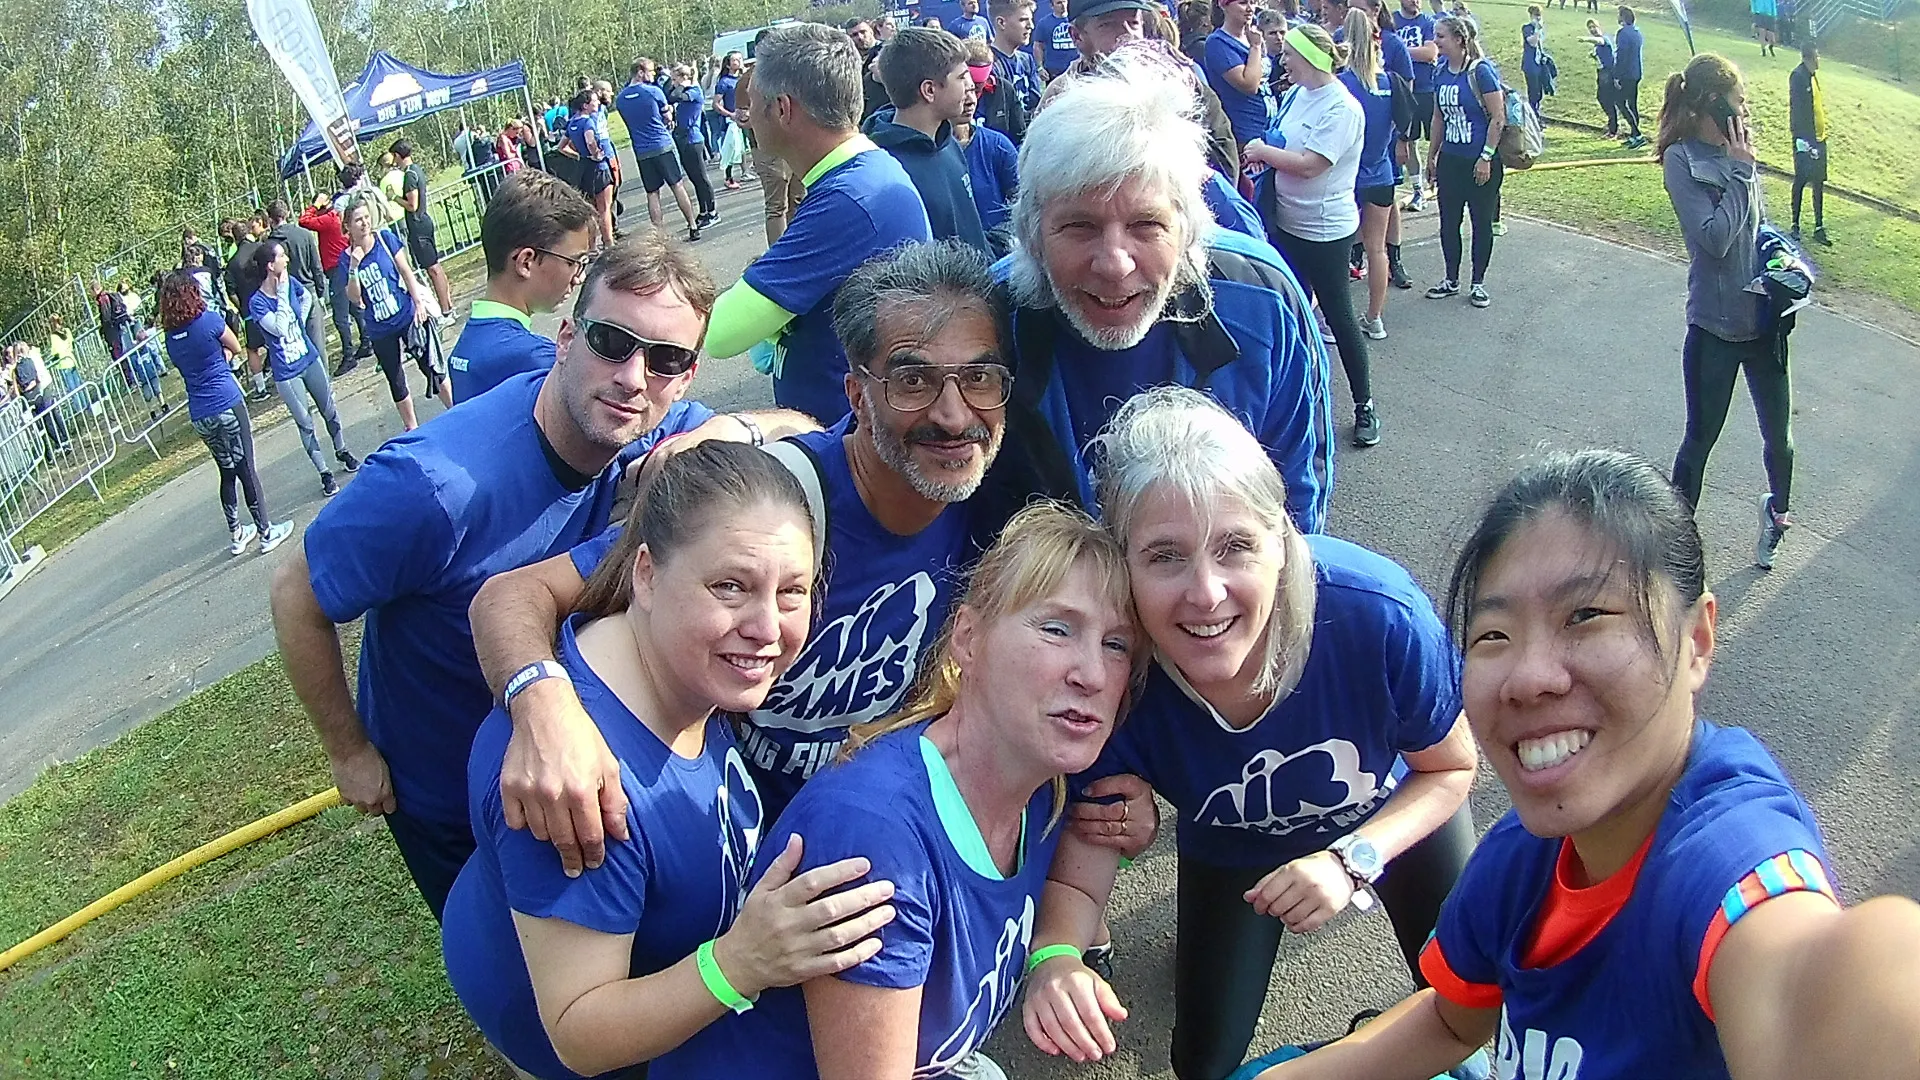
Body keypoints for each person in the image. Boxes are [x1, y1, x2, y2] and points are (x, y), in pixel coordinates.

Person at [1241, 449, 1920, 1080]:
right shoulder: (1525, 857)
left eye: (1586, 615)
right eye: (1493, 634)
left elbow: (1815, 985)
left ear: (1697, 640)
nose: (1529, 677)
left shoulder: (1723, 862)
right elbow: (1451, 1021)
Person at [467, 241, 1016, 882]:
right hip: (706, 854)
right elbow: (511, 596)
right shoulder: (766, 505)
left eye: (980, 378)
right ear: (858, 396)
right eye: (912, 381)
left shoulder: (993, 510)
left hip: (855, 844)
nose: (953, 414)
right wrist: (543, 708)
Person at [269, 233, 731, 922]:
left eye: (665, 359)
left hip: (577, 761)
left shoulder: (650, 429)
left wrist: (726, 438)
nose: (634, 377)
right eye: (612, 342)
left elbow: (793, 429)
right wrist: (348, 751)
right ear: (566, 338)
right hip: (448, 791)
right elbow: (295, 594)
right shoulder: (434, 486)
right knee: (501, 962)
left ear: (686, 377)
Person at [1021, 387, 1478, 1080]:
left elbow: (1449, 768)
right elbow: (1087, 863)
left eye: (1235, 546)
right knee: (1202, 1064)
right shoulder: (1115, 673)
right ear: (1123, 567)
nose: (1206, 594)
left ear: (1283, 541)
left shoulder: (1376, 616)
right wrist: (1055, 959)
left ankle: (1380, 1042)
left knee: (1468, 1001)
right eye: (1165, 556)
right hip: (1235, 845)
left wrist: (1352, 860)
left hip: (1388, 816)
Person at [442, 439, 906, 1080]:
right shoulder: (579, 786)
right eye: (729, 586)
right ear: (647, 575)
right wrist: (741, 963)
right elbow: (579, 1031)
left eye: (792, 591)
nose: (767, 627)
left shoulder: (674, 664)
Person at [659, 500, 1146, 1080]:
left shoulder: (1043, 784)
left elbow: (1081, 865)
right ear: (968, 639)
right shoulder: (879, 840)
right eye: (1056, 629)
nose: (1091, 674)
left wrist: (1055, 956)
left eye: (1116, 645)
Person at [989, 47, 1333, 542]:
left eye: (1146, 225)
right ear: (1033, 237)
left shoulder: (1262, 297)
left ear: (1188, 229)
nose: (1115, 264)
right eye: (1079, 226)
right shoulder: (993, 316)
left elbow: (1296, 506)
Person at [706, 23, 934, 427]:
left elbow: (720, 332)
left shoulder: (848, 199)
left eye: (753, 102)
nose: (747, 117)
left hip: (846, 438)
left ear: (783, 109)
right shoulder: (861, 175)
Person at [1658, 54, 1798, 572]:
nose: (1746, 111)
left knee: (1780, 441)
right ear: (1710, 105)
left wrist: (1782, 259)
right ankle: (1673, 553)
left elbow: (1753, 230)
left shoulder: (1740, 155)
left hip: (1763, 323)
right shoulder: (1682, 160)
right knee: (1699, 441)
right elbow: (1714, 240)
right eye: (1738, 102)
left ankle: (1777, 514)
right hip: (1714, 328)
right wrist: (1741, 171)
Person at [1244, 24, 1374, 449]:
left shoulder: (1343, 107)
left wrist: (1262, 151)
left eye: (1289, 55)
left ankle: (1365, 405)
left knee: (1338, 316)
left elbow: (1310, 165)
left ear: (1311, 58)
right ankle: (1295, 409)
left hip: (1325, 231)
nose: (1283, 61)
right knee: (1291, 317)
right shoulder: (1298, 94)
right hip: (1286, 223)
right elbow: (1285, 140)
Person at [157, 271, 292, 556]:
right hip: (226, 400)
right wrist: (222, 357)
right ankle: (266, 531)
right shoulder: (208, 321)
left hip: (200, 412)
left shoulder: (171, 338)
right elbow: (234, 346)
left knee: (226, 470)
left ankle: (237, 532)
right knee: (246, 467)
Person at [447, 175, 595, 406]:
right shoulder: (540, 361)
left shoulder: (464, 349)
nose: (579, 277)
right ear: (526, 262)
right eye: (574, 262)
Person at [247, 241, 360, 497]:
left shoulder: (291, 282)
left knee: (329, 409)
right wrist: (282, 293)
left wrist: (299, 315)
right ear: (270, 265)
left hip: (308, 357)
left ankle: (341, 449)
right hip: (287, 371)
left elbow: (306, 297)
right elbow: (278, 328)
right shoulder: (258, 302)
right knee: (305, 422)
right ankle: (324, 472)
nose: (286, 259)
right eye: (282, 256)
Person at [869, 27, 993, 252]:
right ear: (929, 90)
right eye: (961, 78)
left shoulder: (947, 141)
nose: (969, 86)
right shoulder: (890, 170)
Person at [1424, 15, 1505, 309]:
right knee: (1449, 222)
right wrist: (1432, 155)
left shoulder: (1480, 71)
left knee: (1481, 223)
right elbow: (1438, 117)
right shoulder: (1440, 72)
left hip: (1480, 161)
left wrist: (1486, 157)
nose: (1436, 41)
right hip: (1451, 160)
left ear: (1459, 39)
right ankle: (1451, 279)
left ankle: (1478, 283)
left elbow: (1498, 117)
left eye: (1441, 36)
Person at [1338, 9, 1402, 344]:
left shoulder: (1343, 83)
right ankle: (1375, 318)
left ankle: (1333, 318)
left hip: (1348, 177)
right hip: (1381, 173)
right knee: (1377, 249)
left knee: (1338, 249)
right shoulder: (1390, 82)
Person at [617, 58, 704, 243]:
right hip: (662, 145)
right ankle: (692, 225)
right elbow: (667, 116)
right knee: (677, 185)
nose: (653, 74)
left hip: (641, 150)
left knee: (652, 193)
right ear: (640, 72)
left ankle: (660, 236)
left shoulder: (621, 99)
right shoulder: (653, 91)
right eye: (650, 71)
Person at [739, 60, 810, 246]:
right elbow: (742, 118)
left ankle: (800, 247)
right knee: (776, 206)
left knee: (798, 199)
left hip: (794, 144)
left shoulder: (790, 71)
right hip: (767, 148)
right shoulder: (749, 78)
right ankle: (781, 254)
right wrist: (759, 118)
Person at [959, 46, 1021, 246]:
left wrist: (996, 245)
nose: (971, 99)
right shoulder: (924, 153)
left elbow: (1023, 205)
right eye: (964, 90)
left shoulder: (998, 146)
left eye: (974, 90)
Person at [1206, 0, 1278, 162]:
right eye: (1243, 3)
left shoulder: (1252, 36)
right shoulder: (1218, 42)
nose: (1250, 8)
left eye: (1252, 2)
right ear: (1224, 5)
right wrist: (1256, 47)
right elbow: (1249, 85)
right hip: (1244, 132)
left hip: (1269, 127)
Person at [299, 183, 360, 375]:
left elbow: (304, 221)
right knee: (354, 307)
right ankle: (367, 341)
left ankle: (349, 355)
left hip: (336, 269)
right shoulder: (335, 217)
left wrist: (315, 205)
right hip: (341, 265)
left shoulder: (328, 219)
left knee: (340, 315)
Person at [265, 199, 331, 373]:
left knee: (296, 342)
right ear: (287, 213)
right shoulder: (304, 234)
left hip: (287, 295)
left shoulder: (271, 245)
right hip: (309, 288)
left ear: (270, 219)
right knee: (317, 341)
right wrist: (320, 291)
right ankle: (324, 379)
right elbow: (316, 266)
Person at [393, 140, 456, 319]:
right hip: (422, 223)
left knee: (433, 269)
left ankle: (445, 311)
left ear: (397, 155)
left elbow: (412, 205)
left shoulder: (410, 175)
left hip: (418, 225)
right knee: (435, 267)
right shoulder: (416, 169)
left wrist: (394, 198)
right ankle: (448, 306)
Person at [1392, 0, 1442, 210]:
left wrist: (1400, 50)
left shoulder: (1427, 22)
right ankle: (1418, 191)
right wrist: (1414, 52)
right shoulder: (1393, 20)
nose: (1415, 2)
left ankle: (1441, 184)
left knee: (1439, 141)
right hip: (1403, 91)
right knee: (1409, 141)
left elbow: (1430, 53)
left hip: (1427, 89)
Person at [563, 91, 617, 250]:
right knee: (604, 208)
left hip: (584, 169)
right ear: (585, 105)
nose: (597, 103)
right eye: (594, 101)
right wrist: (595, 154)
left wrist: (579, 155)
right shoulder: (588, 122)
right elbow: (590, 140)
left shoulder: (572, 123)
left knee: (590, 210)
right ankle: (608, 243)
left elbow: (562, 146)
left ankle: (592, 247)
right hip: (598, 168)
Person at [1788, 41, 1830, 246]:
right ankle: (1795, 224)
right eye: (1817, 56)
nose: (1819, 59)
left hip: (1820, 139)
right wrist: (1802, 141)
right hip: (1805, 140)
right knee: (1801, 180)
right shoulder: (1798, 77)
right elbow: (1797, 111)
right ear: (1809, 57)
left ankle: (1819, 226)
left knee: (1819, 182)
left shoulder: (1813, 77)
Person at [668, 64, 720, 229]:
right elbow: (669, 97)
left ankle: (712, 211)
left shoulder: (694, 91)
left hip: (693, 139)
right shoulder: (684, 90)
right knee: (694, 178)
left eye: (674, 79)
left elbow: (676, 96)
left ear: (683, 78)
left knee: (701, 177)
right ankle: (703, 211)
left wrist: (683, 84)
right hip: (682, 139)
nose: (673, 83)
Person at [10, 342, 71, 458]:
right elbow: (37, 379)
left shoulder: (14, 370)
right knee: (48, 419)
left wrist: (23, 392)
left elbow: (17, 391)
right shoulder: (30, 360)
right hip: (38, 395)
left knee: (41, 425)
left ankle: (57, 445)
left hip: (28, 399)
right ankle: (62, 442)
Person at [990, 0, 1044, 119]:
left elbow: (1036, 105)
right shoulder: (989, 65)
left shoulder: (1027, 60)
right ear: (1001, 23)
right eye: (1023, 20)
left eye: (1031, 20)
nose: (1031, 26)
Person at [1580, 16, 1619, 136]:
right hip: (1601, 73)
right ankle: (1612, 125)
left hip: (1608, 73)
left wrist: (1586, 39)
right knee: (1603, 98)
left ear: (1599, 27)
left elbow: (1600, 41)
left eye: (1594, 27)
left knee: (1606, 99)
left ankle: (1613, 128)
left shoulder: (1604, 39)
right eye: (1590, 28)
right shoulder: (1597, 45)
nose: (1592, 29)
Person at [1614, 5, 1646, 148]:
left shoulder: (1622, 33)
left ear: (1623, 17)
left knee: (1620, 103)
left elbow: (1622, 56)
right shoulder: (1637, 32)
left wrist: (1617, 76)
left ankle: (1637, 134)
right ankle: (1634, 136)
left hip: (1626, 74)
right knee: (1632, 104)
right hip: (1636, 72)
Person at [716, 52, 745, 189]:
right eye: (735, 60)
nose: (738, 61)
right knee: (731, 148)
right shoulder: (724, 82)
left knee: (744, 147)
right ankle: (728, 177)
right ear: (728, 65)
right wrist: (730, 114)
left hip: (747, 117)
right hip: (732, 121)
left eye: (740, 59)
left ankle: (747, 171)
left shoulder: (743, 78)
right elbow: (716, 104)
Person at [1035, 0, 1077, 76]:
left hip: (1076, 69)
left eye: (1064, 1)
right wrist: (1040, 68)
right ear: (1052, 6)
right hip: (1053, 71)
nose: (1063, 5)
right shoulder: (1044, 23)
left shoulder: (1076, 20)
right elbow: (1038, 46)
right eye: (1059, 3)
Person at [1521, 6, 1549, 114]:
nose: (1538, 18)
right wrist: (1537, 30)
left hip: (1539, 64)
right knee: (1533, 91)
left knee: (1539, 91)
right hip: (1530, 64)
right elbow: (1532, 43)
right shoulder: (1527, 28)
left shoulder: (1539, 30)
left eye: (1539, 15)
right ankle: (1533, 113)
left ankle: (1536, 111)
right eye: (1535, 15)